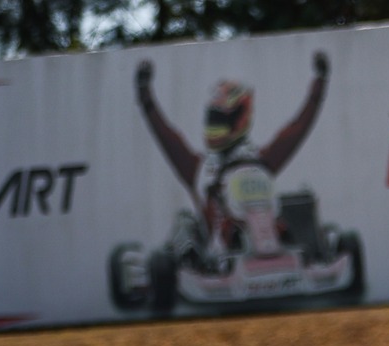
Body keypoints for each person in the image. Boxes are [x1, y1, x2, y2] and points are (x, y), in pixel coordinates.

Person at [135, 53, 328, 258]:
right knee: (185, 222)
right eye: (214, 118)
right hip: (216, 256)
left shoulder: (260, 161)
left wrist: (320, 80)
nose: (216, 126)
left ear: (241, 118)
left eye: (221, 119)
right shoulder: (199, 169)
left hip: (264, 240)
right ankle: (199, 261)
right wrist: (144, 94)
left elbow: (298, 128)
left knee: (292, 209)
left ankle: (292, 252)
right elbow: (166, 136)